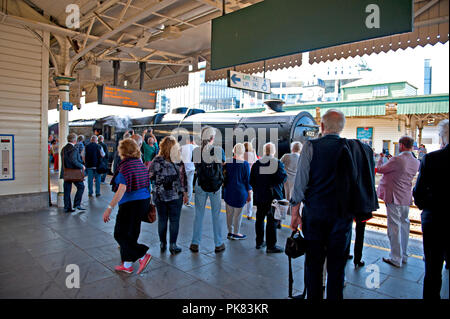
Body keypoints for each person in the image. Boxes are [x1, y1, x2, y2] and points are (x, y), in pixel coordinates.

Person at [290, 109, 378, 300]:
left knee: (313, 264)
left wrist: (295, 213)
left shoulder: (311, 146)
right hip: (342, 217)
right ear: (342, 128)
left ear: (322, 126)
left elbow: (300, 184)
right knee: (337, 267)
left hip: (315, 215)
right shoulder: (352, 148)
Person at [102, 138, 152, 275]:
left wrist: (109, 207)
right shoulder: (140, 164)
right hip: (143, 202)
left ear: (123, 151)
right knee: (132, 233)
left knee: (120, 233)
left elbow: (121, 189)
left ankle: (142, 255)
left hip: (130, 204)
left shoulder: (125, 166)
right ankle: (127, 264)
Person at [413, 119, 449, 299]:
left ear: (442, 137)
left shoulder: (432, 159)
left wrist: (429, 204)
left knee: (433, 270)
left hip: (435, 220)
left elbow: (418, 194)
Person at [377, 136, 420, 268]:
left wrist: (380, 159)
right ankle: (404, 255)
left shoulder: (397, 159)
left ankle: (395, 257)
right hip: (405, 197)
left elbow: (380, 169)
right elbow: (401, 171)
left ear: (401, 145)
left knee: (394, 228)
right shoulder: (416, 161)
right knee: (405, 226)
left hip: (393, 197)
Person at [190, 126, 226, 254]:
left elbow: (196, 166)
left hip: (200, 184)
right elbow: (222, 165)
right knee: (216, 215)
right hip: (215, 187)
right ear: (212, 137)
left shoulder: (196, 151)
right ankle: (218, 243)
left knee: (198, 214)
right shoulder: (218, 150)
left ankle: (195, 243)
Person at [149, 136, 188, 254]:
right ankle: (173, 245)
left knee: (162, 219)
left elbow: (150, 176)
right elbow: (183, 180)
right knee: (174, 220)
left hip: (159, 195)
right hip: (175, 196)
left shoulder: (156, 161)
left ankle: (162, 244)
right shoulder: (178, 161)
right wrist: (185, 194)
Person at [250, 142, 287, 253]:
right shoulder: (277, 163)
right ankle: (271, 246)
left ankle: (259, 242)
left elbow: (251, 180)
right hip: (273, 197)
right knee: (272, 221)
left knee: (260, 219)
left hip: (260, 196)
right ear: (273, 151)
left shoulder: (257, 164)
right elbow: (282, 178)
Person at [224, 143, 252, 240]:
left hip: (229, 191)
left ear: (234, 150)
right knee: (238, 215)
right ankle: (236, 233)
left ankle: (230, 232)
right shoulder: (245, 164)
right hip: (240, 193)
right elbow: (248, 181)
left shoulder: (228, 162)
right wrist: (249, 194)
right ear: (243, 152)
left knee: (229, 213)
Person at [60, 133, 86, 212]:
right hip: (74, 173)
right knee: (81, 187)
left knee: (67, 190)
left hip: (66, 173)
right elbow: (73, 160)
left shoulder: (63, 148)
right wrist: (82, 166)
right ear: (75, 140)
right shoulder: (73, 149)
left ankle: (67, 207)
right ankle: (77, 204)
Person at [280, 141, 302, 213]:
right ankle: (292, 210)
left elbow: (279, 164)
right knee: (293, 194)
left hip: (286, 178)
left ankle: (287, 210)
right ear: (300, 149)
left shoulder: (286, 156)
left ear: (292, 148)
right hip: (296, 178)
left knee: (287, 194)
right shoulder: (301, 158)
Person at [180, 135, 197, 207]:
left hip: (184, 168)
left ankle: (181, 200)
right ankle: (188, 202)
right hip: (192, 168)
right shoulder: (195, 147)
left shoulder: (182, 147)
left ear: (187, 140)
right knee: (190, 185)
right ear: (192, 141)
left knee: (182, 184)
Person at [243, 141, 257, 220]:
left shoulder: (242, 154)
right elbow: (256, 162)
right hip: (250, 176)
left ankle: (239, 210)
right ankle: (249, 214)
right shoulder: (252, 154)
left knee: (242, 192)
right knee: (250, 195)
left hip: (242, 175)